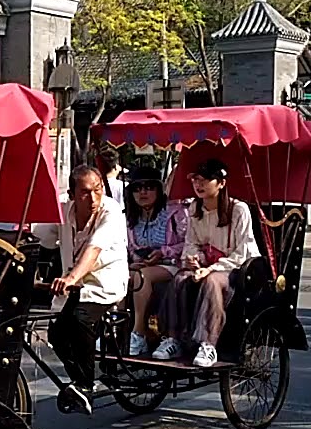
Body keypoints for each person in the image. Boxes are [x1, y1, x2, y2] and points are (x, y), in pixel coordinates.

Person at [154, 158, 260, 368]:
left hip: (235, 270)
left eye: (205, 180)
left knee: (212, 282)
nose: (198, 185)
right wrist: (194, 259)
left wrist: (210, 268)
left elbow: (242, 252)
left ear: (221, 183)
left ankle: (208, 343)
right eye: (196, 180)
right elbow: (192, 243)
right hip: (206, 266)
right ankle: (173, 338)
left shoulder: (238, 210)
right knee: (181, 277)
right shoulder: (195, 208)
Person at [47, 164, 130, 415]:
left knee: (80, 318)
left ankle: (86, 385)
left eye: (97, 190)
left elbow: (94, 249)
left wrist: (71, 277)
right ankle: (78, 381)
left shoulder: (111, 211)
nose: (93, 198)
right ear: (72, 194)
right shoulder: (64, 211)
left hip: (105, 283)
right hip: (74, 287)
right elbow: (41, 237)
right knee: (56, 334)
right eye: (84, 192)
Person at [124, 166, 187, 355]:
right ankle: (117, 330)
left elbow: (189, 243)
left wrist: (163, 252)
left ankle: (139, 333)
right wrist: (134, 259)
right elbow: (129, 247)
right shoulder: (130, 217)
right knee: (123, 277)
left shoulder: (175, 213)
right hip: (143, 265)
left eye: (149, 187)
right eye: (137, 188)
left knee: (142, 277)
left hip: (172, 264)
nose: (143, 192)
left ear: (159, 189)